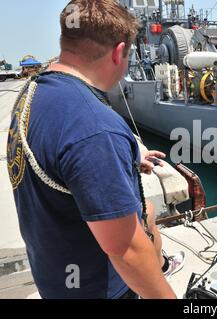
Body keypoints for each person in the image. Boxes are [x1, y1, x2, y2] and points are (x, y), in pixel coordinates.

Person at [7, 0, 181, 299]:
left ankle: (163, 264)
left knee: (148, 210)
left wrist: (126, 156)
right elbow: (125, 250)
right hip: (97, 288)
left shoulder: (34, 91)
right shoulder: (95, 128)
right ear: (118, 53)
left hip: (54, 273)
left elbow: (62, 153)